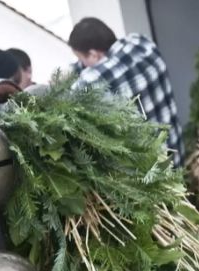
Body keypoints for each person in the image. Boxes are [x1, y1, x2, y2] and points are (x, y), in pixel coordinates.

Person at [69, 17, 183, 167]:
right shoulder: (141, 43)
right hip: (176, 153)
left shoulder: (90, 82)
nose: (83, 64)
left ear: (93, 54)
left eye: (82, 58)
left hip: (152, 176)